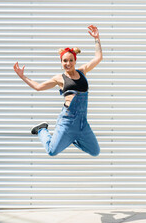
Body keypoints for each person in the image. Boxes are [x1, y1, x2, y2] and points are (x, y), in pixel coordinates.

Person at [14, 25, 103, 156]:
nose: (68, 63)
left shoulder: (83, 71)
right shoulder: (59, 79)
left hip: (83, 123)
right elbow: (38, 87)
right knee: (52, 151)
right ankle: (41, 130)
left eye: (70, 60)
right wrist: (22, 76)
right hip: (66, 122)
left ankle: (71, 139)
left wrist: (97, 39)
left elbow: (98, 58)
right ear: (61, 62)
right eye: (64, 61)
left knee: (95, 151)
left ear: (75, 60)